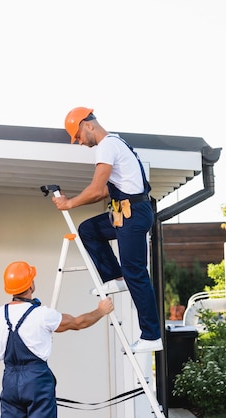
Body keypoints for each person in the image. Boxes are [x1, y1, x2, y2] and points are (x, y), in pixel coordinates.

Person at [51, 106, 163, 353]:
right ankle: (115, 277)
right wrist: (74, 200)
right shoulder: (115, 145)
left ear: (87, 124)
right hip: (126, 212)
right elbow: (102, 192)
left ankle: (151, 335)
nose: (79, 142)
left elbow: (95, 188)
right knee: (89, 230)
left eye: (78, 137)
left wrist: (69, 203)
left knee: (136, 272)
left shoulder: (107, 146)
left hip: (132, 214)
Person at [0, 260, 114, 418]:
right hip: (36, 380)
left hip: (9, 382)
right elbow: (78, 323)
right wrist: (101, 311)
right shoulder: (42, 315)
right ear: (30, 284)